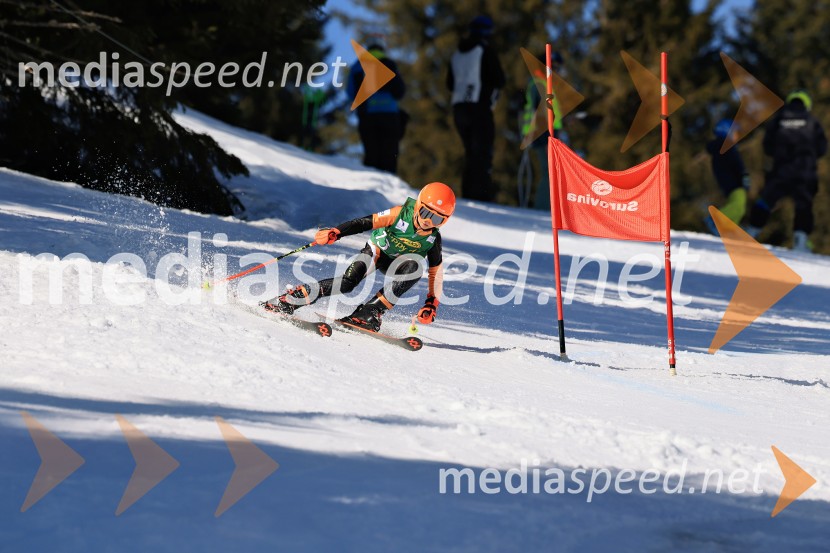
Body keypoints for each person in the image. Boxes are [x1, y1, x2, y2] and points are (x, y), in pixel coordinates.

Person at [262, 182, 456, 332]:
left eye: (437, 219)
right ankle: (292, 298)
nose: (427, 221)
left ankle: (369, 312)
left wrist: (432, 303)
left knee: (416, 269)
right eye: (425, 212)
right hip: (376, 252)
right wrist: (336, 232)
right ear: (417, 206)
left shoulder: (432, 238)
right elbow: (364, 222)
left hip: (398, 265)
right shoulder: (399, 214)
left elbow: (436, 273)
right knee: (347, 283)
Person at [747, 90, 827, 251]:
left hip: (781, 170)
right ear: (807, 104)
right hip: (805, 171)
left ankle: (751, 233)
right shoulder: (812, 121)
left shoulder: (778, 120)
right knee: (803, 205)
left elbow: (767, 146)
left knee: (766, 200)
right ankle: (800, 241)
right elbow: (822, 148)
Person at [447, 15, 506, 202]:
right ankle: (480, 196)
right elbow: (499, 79)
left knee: (470, 152)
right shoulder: (485, 50)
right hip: (479, 107)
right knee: (481, 153)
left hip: (459, 108)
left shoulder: (457, 53)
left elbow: (449, 83)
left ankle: (468, 194)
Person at [346, 43, 406, 173]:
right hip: (390, 114)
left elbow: (350, 92)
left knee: (371, 154)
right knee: (389, 155)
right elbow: (400, 92)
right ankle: (389, 186)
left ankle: (370, 186)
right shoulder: (390, 64)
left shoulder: (357, 66)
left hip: (367, 115)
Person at [520, 51, 566, 211]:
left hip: (546, 135)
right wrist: (547, 138)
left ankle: (547, 207)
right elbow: (540, 114)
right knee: (549, 173)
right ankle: (543, 209)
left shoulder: (546, 85)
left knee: (551, 172)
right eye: (557, 68)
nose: (559, 72)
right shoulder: (540, 84)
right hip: (541, 136)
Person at [703, 118, 750, 234]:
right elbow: (737, 163)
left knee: (739, 207)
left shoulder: (719, 148)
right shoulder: (727, 147)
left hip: (727, 181)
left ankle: (728, 229)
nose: (737, 136)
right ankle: (715, 220)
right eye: (735, 133)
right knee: (738, 205)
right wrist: (744, 175)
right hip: (735, 182)